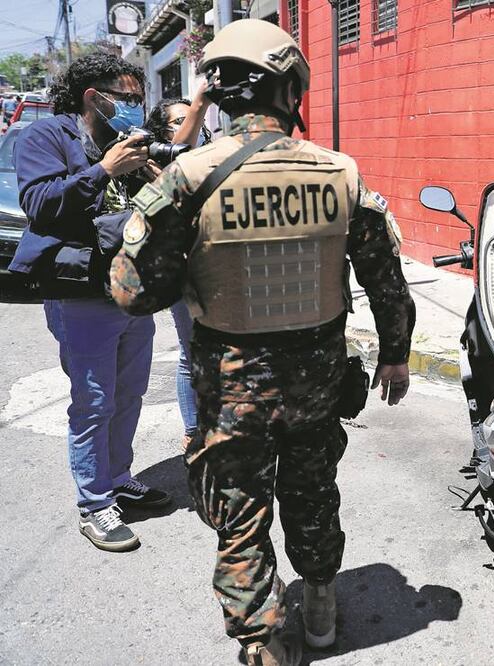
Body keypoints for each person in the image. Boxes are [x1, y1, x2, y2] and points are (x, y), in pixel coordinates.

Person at [110, 20, 415, 666]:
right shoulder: (340, 173)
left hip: (230, 392)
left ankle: (263, 643)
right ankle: (324, 606)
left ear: (221, 94)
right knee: (313, 495)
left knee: (240, 517)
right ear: (289, 88)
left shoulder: (189, 176)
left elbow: (134, 292)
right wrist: (394, 353)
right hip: (318, 385)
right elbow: (385, 276)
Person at [9, 53, 171, 553]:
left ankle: (118, 477)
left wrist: (154, 176)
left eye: (137, 100)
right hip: (79, 291)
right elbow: (39, 205)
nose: (132, 108)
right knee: (94, 400)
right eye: (124, 98)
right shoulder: (44, 137)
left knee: (130, 394)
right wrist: (103, 170)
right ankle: (95, 504)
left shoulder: (124, 143)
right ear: (92, 97)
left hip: (132, 289)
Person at [142, 85, 214, 447]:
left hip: (222, 267)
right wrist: (199, 103)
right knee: (192, 354)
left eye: (196, 118)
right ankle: (193, 431)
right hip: (186, 271)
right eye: (181, 121)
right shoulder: (161, 164)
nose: (195, 124)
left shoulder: (217, 155)